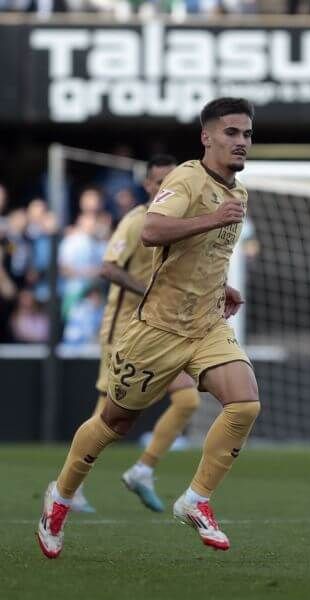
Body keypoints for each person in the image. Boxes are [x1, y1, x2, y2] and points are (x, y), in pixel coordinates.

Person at [36, 97, 260, 558]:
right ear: (207, 137)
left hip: (206, 325)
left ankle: (196, 499)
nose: (241, 142)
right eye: (232, 132)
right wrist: (211, 218)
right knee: (114, 422)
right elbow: (152, 232)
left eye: (247, 134)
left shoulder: (238, 193)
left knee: (245, 403)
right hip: (157, 329)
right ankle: (60, 496)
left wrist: (223, 287)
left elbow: (205, 255)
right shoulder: (186, 178)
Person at [75, 155, 201, 515]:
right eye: (159, 181)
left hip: (158, 330)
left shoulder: (177, 224)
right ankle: (72, 486)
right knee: (107, 414)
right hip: (123, 331)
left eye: (171, 181)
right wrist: (148, 291)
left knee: (188, 401)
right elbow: (108, 269)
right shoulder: (135, 222)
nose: (165, 187)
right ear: (147, 185)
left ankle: (143, 470)